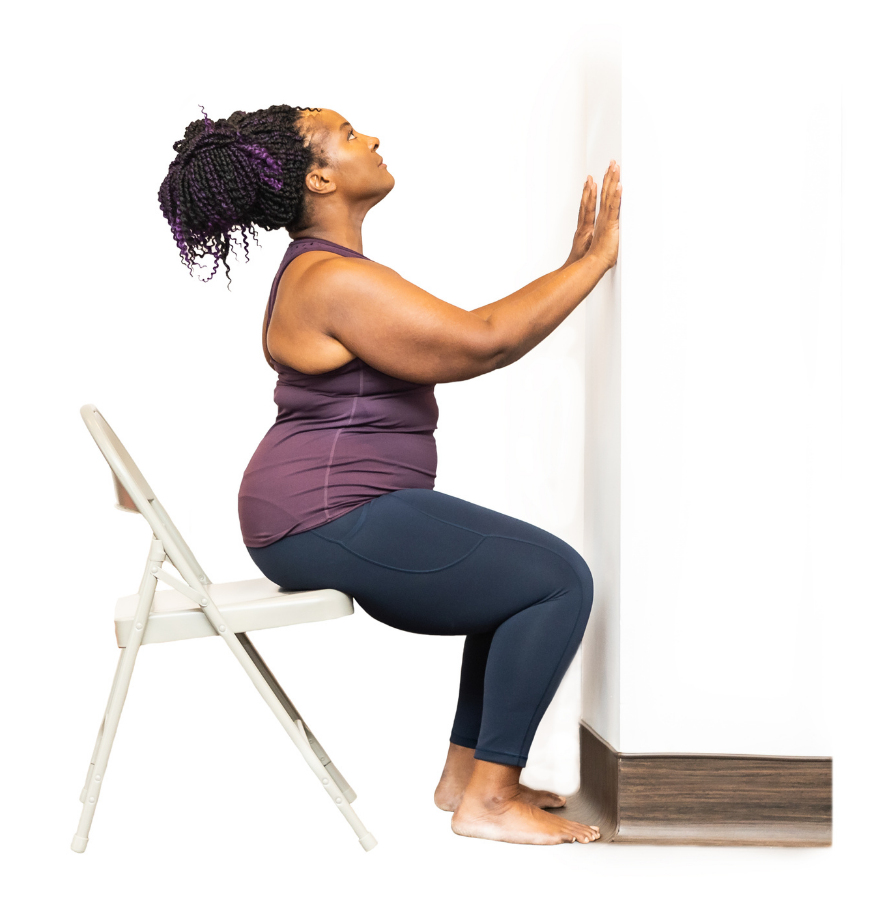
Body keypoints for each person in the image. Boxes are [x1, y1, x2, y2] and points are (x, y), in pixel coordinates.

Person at [157, 105, 620, 846]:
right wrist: (594, 265)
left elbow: (477, 337)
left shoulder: (328, 274)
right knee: (557, 579)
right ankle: (489, 804)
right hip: (324, 514)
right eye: (347, 135)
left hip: (317, 510)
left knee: (514, 579)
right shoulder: (328, 281)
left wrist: (573, 271)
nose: (370, 138)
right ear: (319, 176)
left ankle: (467, 777)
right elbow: (483, 342)